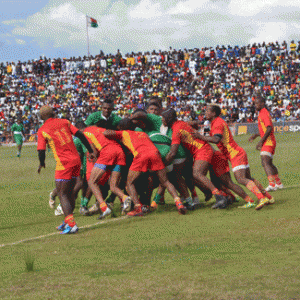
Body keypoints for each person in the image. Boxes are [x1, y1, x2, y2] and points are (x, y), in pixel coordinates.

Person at [193, 104, 274, 210]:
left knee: (240, 179)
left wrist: (200, 137)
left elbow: (216, 139)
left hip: (235, 153)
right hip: (237, 152)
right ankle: (268, 197)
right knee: (248, 178)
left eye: (208, 111)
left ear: (214, 113)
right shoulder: (215, 123)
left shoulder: (217, 122)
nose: (206, 113)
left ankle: (261, 198)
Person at [103, 118, 187, 216]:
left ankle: (138, 208)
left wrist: (117, 131)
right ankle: (179, 203)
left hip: (141, 155)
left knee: (130, 183)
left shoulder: (124, 133)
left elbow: (106, 133)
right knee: (165, 181)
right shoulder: (143, 133)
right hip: (155, 153)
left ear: (121, 127)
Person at [37, 105, 96, 234]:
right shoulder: (64, 121)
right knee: (69, 193)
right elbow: (80, 134)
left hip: (64, 163)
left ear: (41, 117)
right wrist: (90, 150)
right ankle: (66, 221)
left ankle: (72, 224)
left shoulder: (42, 130)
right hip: (76, 161)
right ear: (53, 113)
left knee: (62, 193)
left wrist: (41, 163)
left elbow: (41, 150)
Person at [161, 108, 228, 209]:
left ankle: (220, 197)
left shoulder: (176, 130)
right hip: (201, 150)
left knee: (197, 174)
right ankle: (220, 194)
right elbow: (192, 123)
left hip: (202, 150)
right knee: (193, 177)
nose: (162, 120)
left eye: (163, 118)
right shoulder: (179, 124)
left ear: (169, 118)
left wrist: (162, 165)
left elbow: (172, 153)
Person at [83, 125, 131, 219]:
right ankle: (125, 198)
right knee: (113, 186)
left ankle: (104, 207)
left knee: (92, 181)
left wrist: (91, 156)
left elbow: (94, 152)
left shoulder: (85, 133)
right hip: (119, 152)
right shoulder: (100, 129)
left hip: (108, 152)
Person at [249, 96, 283, 191]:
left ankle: (272, 185)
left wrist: (261, 141)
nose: (255, 105)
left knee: (265, 162)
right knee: (269, 163)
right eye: (255, 103)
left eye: (257, 103)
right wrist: (256, 135)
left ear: (262, 103)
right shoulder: (262, 113)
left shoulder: (263, 113)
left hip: (268, 142)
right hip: (269, 141)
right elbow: (265, 129)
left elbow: (269, 128)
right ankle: (278, 183)